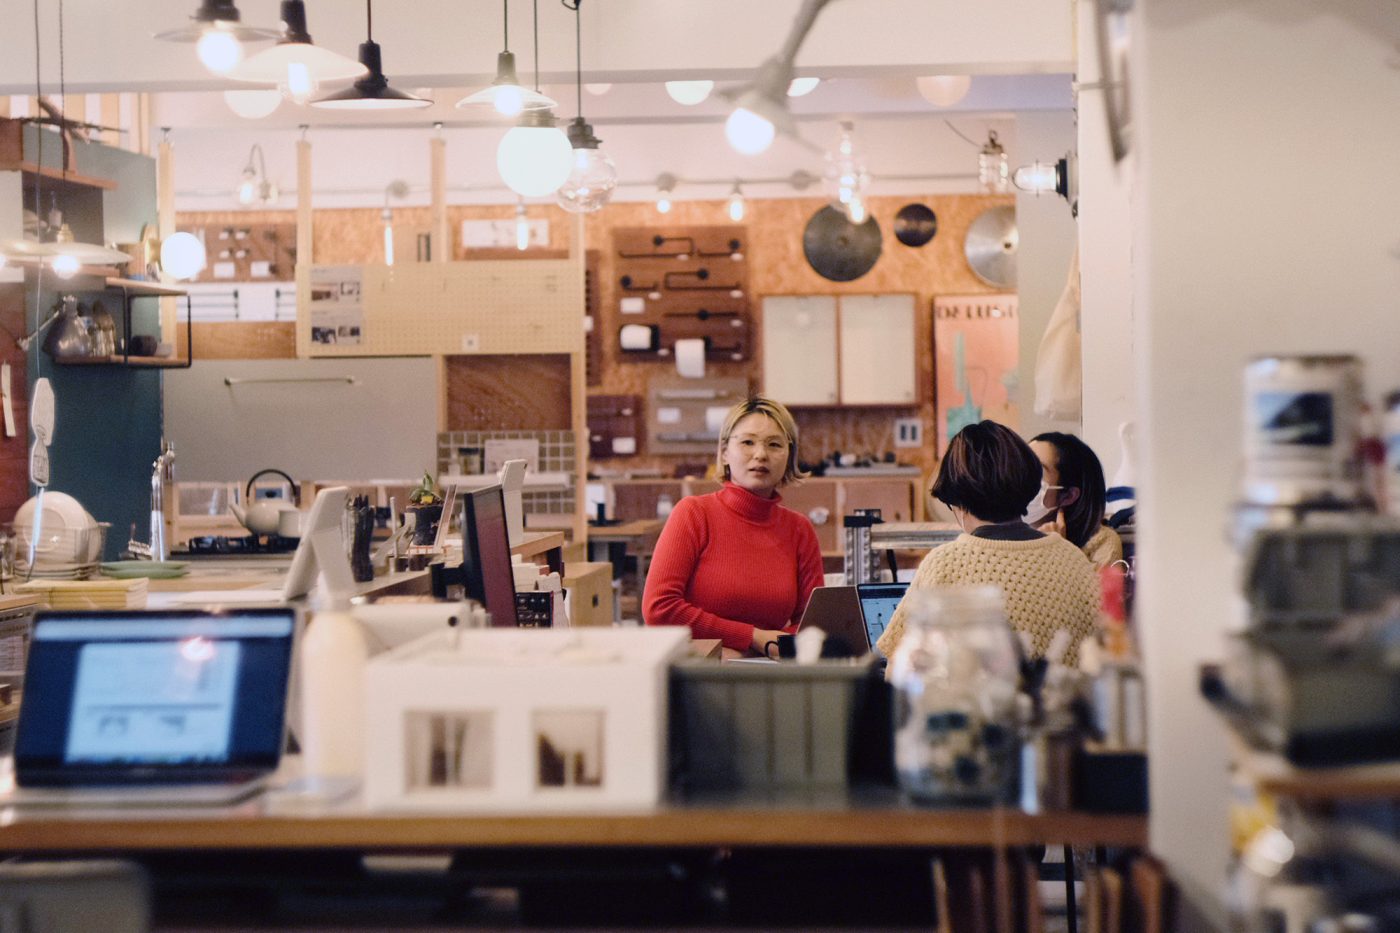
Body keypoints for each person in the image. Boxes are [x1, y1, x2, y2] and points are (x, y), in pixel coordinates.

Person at [876, 420, 1100, 666]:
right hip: (1065, 703)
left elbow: (899, 661)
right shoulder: (1073, 559)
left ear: (958, 500)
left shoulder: (945, 563)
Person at [643, 396, 824, 658]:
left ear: (789, 455)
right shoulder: (693, 514)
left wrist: (760, 649)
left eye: (774, 444)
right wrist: (754, 637)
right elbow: (659, 609)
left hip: (769, 675)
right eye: (748, 442)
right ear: (725, 452)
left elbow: (813, 625)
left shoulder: (799, 530)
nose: (760, 454)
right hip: (701, 676)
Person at [1028, 431, 1124, 570]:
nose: (1021, 477)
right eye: (1021, 465)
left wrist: (1060, 553)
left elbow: (1097, 591)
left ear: (1068, 496)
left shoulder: (1103, 542)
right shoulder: (1003, 533)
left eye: (1036, 470)